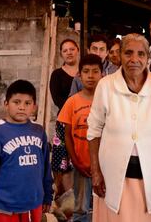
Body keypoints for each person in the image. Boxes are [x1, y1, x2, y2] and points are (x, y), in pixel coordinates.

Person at [87, 33, 151, 221]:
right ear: (118, 56)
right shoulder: (106, 85)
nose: (134, 59)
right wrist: (96, 172)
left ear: (148, 57)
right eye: (128, 53)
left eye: (141, 54)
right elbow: (93, 131)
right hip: (112, 179)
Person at [0, 79, 53, 222]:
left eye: (27, 103)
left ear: (34, 107)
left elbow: (45, 168)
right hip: (3, 207)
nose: (22, 107)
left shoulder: (39, 131)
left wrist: (47, 195)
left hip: (32, 205)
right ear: (6, 104)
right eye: (16, 102)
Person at [57, 54, 103, 222]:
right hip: (81, 164)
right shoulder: (72, 102)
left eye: (95, 71)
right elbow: (67, 135)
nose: (90, 76)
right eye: (86, 71)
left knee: (104, 204)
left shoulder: (107, 100)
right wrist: (75, 161)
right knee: (81, 207)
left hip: (105, 166)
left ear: (102, 74)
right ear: (79, 75)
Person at [49, 39, 80, 199]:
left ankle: (80, 194)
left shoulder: (84, 72)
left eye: (72, 49)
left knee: (80, 156)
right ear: (61, 53)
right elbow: (57, 100)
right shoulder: (57, 74)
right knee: (62, 158)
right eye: (65, 50)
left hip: (84, 122)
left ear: (78, 50)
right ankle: (63, 194)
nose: (69, 52)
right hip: (65, 121)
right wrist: (76, 108)